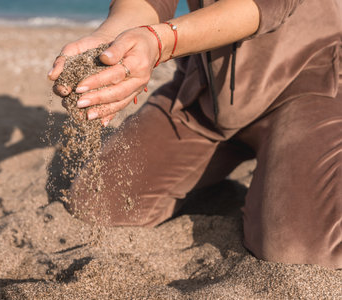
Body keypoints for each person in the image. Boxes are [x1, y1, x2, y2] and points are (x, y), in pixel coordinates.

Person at [48, 0, 341, 269]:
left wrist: (160, 42)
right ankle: (251, 185)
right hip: (203, 95)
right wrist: (110, 41)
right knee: (99, 204)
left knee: (301, 251)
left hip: (306, 86)